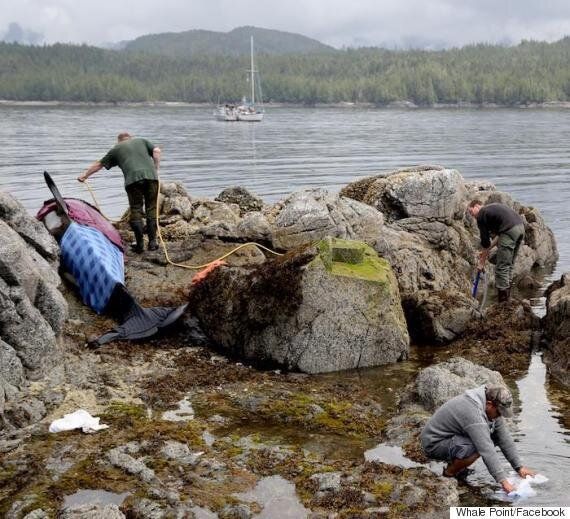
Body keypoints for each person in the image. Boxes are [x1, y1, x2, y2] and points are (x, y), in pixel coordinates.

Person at [421, 385, 535, 494]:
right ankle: (449, 473)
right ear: (490, 405)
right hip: (434, 444)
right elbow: (486, 449)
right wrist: (504, 482)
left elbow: (503, 437)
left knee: (488, 438)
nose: (499, 416)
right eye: (499, 413)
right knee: (477, 446)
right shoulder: (473, 412)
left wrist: (519, 467)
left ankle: (457, 465)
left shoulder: (488, 403)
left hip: (452, 438)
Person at [78, 132, 161, 253]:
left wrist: (84, 176)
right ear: (130, 138)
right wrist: (156, 169)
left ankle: (140, 245)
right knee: (151, 208)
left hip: (132, 181)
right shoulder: (142, 141)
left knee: (136, 209)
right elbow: (157, 151)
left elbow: (99, 164)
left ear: (119, 141)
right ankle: (153, 243)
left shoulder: (116, 149)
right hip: (151, 178)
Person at [467, 200, 525, 302]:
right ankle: (508, 298)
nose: (473, 216)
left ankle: (503, 303)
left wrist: (481, 263)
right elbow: (499, 236)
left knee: (501, 268)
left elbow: (485, 242)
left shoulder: (481, 214)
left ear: (477, 206)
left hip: (509, 230)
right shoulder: (492, 209)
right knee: (509, 265)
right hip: (520, 228)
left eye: (471, 212)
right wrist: (487, 250)